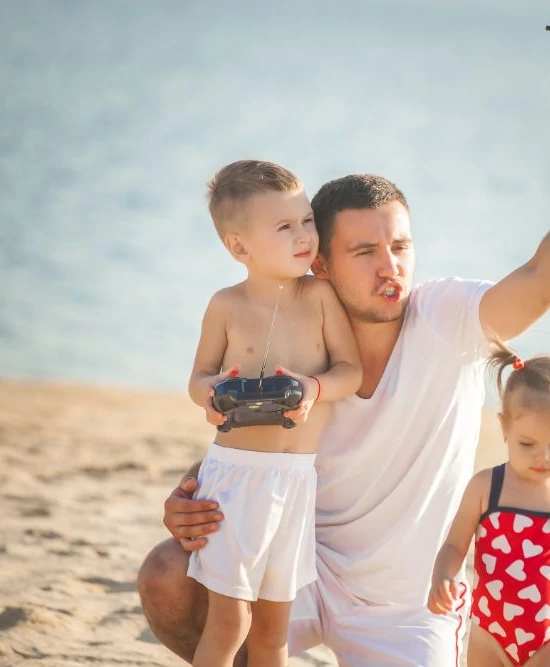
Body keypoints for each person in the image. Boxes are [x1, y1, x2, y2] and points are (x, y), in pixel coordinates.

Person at [137, 112, 550, 666]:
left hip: (405, 608)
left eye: (401, 247)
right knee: (168, 576)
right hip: (301, 571)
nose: (391, 268)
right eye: (365, 252)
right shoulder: (297, 323)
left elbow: (540, 281)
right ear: (319, 262)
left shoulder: (447, 318)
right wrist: (194, 494)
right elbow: (252, 437)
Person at [185, 160, 362, 667]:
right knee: (229, 621)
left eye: (307, 220)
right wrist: (213, 394)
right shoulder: (226, 304)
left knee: (272, 630)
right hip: (236, 478)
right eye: (285, 227)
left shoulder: (322, 297)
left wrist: (313, 386)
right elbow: (197, 379)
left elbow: (350, 370)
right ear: (239, 247)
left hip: (295, 481)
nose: (305, 235)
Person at [428, 345, 550, 667]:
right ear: (504, 427)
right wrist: (442, 575)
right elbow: (456, 544)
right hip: (489, 633)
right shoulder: (487, 487)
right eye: (528, 444)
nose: (544, 456)